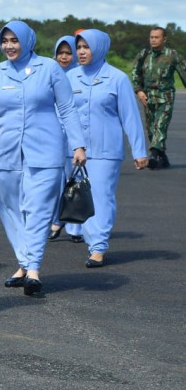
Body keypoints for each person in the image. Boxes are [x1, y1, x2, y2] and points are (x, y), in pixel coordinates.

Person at [0, 21, 87, 297]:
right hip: (6, 151)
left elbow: (66, 107)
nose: (9, 46)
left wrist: (78, 145)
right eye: (5, 41)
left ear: (27, 40)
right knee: (11, 209)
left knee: (38, 209)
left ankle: (34, 269)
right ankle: (23, 263)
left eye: (14, 40)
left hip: (46, 150)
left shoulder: (49, 68)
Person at [68, 29, 149, 267]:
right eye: (79, 47)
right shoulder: (70, 78)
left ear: (100, 48)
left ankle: (98, 246)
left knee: (101, 198)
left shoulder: (117, 78)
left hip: (106, 151)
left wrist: (139, 151)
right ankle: (85, 234)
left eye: (87, 47)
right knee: (80, 196)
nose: (81, 52)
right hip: (75, 150)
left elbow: (130, 117)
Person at [131, 26, 186, 169]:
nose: (153, 40)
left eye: (156, 37)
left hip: (165, 97)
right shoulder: (144, 55)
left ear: (164, 39)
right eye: (151, 37)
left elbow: (184, 74)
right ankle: (163, 158)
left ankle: (154, 156)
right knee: (151, 130)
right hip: (148, 98)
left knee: (159, 126)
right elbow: (135, 73)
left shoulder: (172, 55)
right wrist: (138, 90)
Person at [49, 33, 81, 241]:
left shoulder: (80, 75)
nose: (64, 57)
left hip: (75, 138)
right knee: (55, 183)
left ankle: (76, 228)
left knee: (75, 182)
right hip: (52, 137)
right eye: (60, 53)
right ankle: (56, 220)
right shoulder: (48, 73)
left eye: (69, 53)